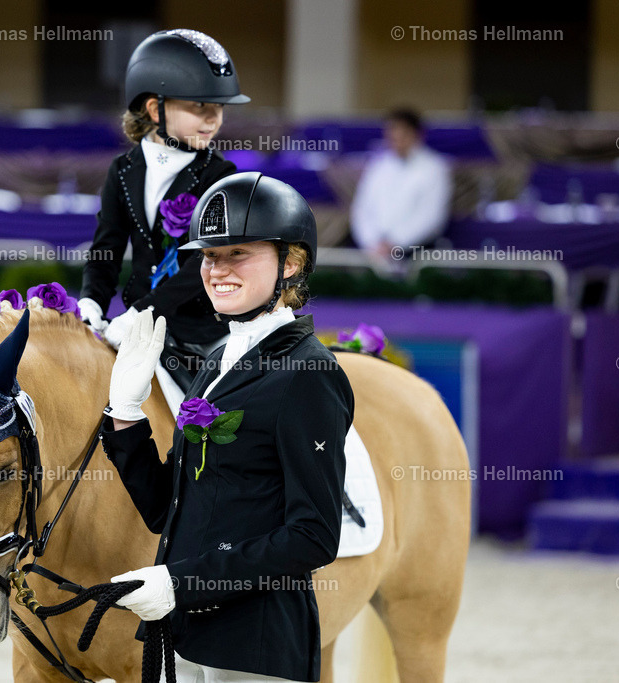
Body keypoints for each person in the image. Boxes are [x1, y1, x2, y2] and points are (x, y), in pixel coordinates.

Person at [100, 172, 354, 682]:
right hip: (185, 638)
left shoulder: (309, 375)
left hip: (251, 649)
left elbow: (313, 537)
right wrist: (126, 414)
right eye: (210, 256)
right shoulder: (218, 359)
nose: (217, 270)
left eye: (238, 253)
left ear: (293, 262)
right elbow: (165, 509)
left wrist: (181, 584)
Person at [78, 29, 249, 357]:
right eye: (200, 106)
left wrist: (142, 313)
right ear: (156, 110)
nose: (214, 119)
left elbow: (207, 261)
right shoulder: (123, 170)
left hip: (202, 332)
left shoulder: (219, 175)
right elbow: (106, 248)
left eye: (220, 107)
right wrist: (91, 302)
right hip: (133, 326)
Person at [349, 108, 453, 259]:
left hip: (415, 253)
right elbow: (361, 210)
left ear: (417, 134)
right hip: (373, 251)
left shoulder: (434, 168)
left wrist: (395, 243)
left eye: (403, 134)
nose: (397, 138)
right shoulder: (378, 166)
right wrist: (371, 243)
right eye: (392, 133)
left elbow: (431, 217)